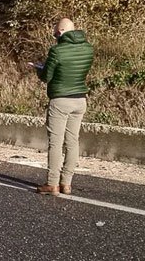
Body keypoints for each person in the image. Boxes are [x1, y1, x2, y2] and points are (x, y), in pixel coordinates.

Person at [29, 18, 94, 196]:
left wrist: (39, 69)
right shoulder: (88, 49)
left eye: (56, 33)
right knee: (73, 141)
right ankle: (67, 183)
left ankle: (52, 183)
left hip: (60, 100)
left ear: (62, 32)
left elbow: (46, 77)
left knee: (55, 142)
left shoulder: (57, 51)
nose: (55, 36)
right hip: (80, 99)